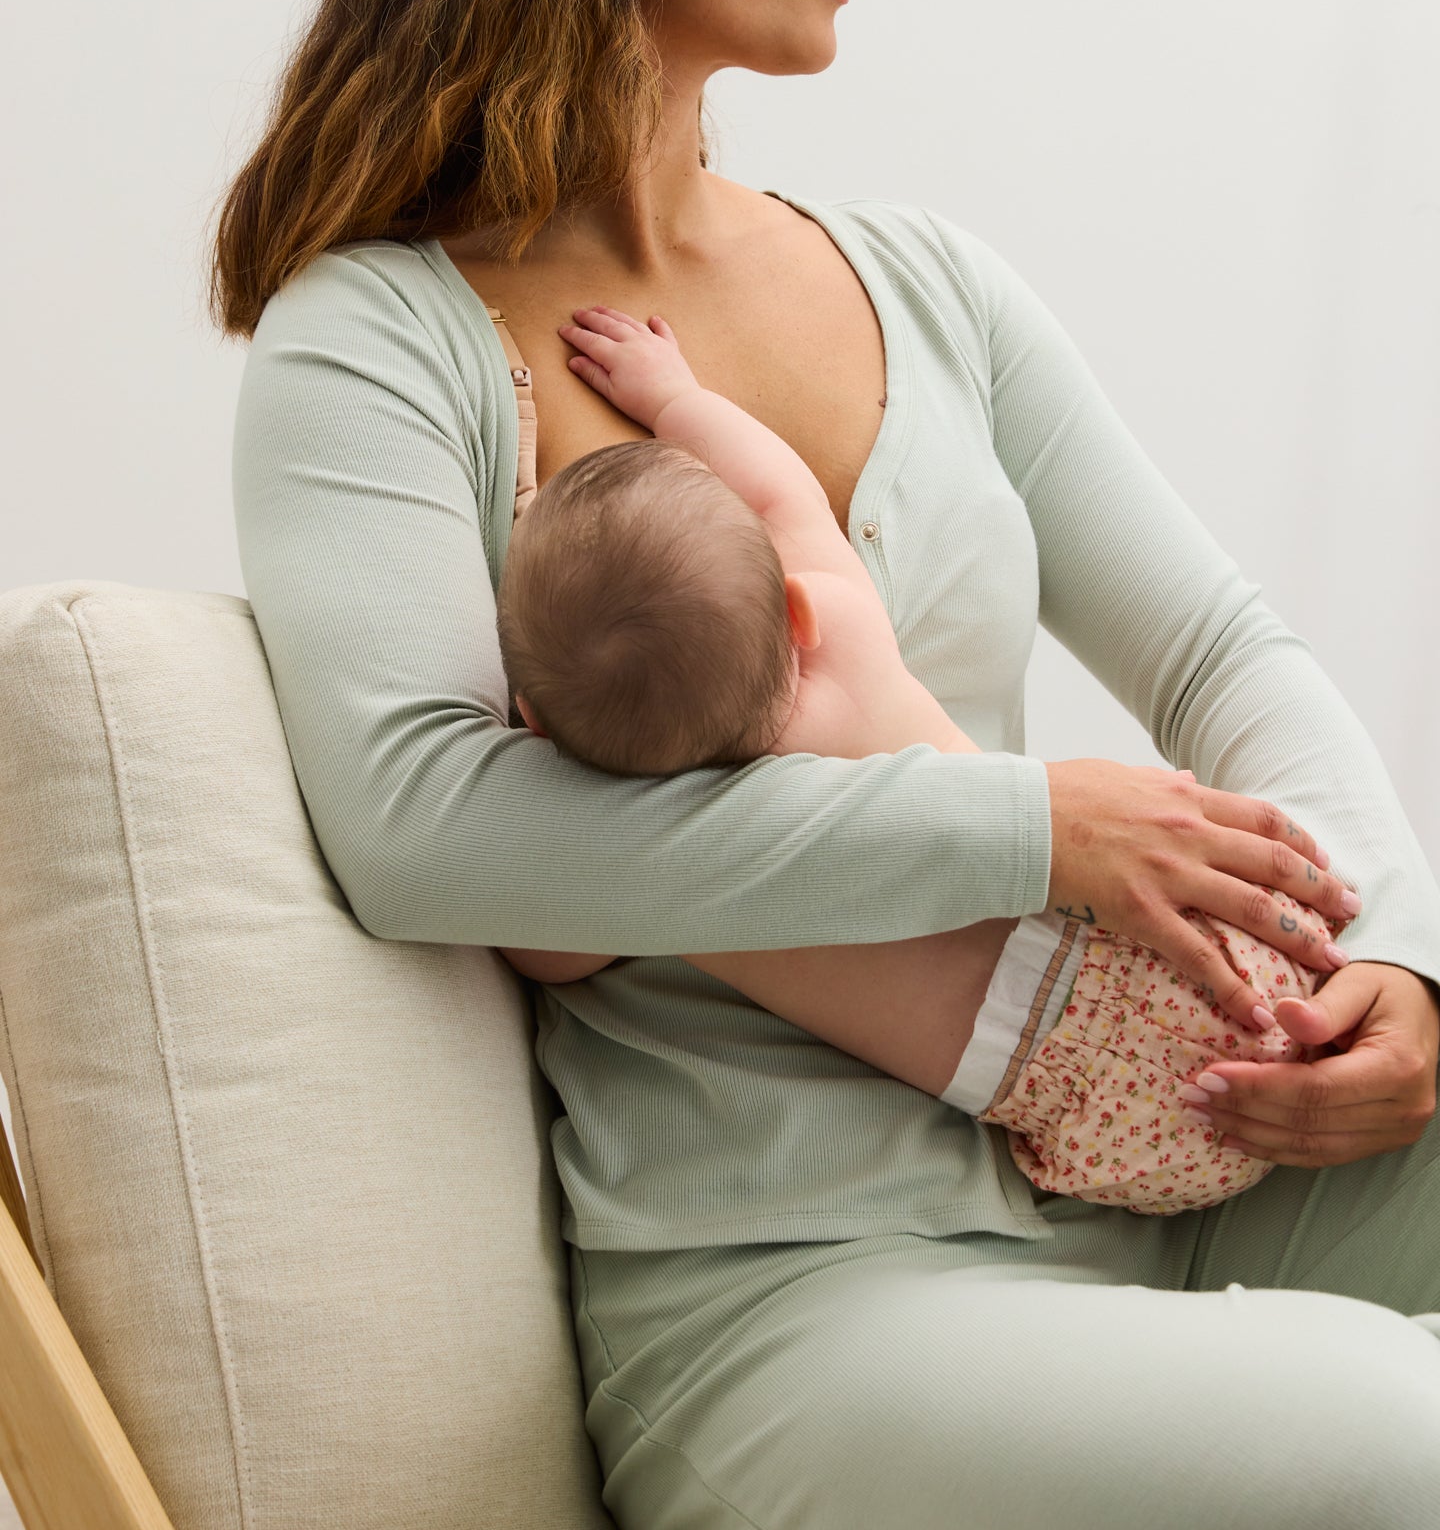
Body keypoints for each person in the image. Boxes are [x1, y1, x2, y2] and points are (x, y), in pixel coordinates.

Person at [220, 0, 1440, 1530]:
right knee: (1407, 1467)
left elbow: (1226, 652)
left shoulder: (929, 282)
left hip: (1171, 1165)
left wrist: (1396, 962)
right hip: (798, 1294)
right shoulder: (374, 342)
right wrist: (1030, 826)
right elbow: (433, 832)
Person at [489, 299, 1356, 1215]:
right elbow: (778, 490)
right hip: (1196, 955)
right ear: (795, 614)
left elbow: (538, 945)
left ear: (539, 722)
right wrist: (673, 399)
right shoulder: (843, 633)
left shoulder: (656, 863)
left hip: (1116, 1125)